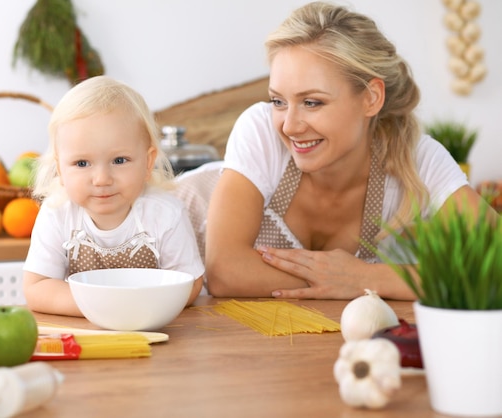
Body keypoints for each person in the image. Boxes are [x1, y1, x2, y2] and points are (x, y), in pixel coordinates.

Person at [180, 1, 496, 300]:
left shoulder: (416, 159)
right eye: (278, 101)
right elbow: (225, 271)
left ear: (371, 98)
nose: (289, 126)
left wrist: (368, 279)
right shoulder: (261, 132)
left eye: (312, 102)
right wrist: (345, 281)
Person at [23, 76, 204, 316]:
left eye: (119, 160)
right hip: (88, 337)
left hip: (151, 329)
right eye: (82, 163)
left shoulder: (166, 214)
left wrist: (132, 310)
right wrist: (105, 309)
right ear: (60, 169)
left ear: (148, 162)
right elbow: (37, 288)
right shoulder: (57, 213)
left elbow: (190, 284)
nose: (102, 179)